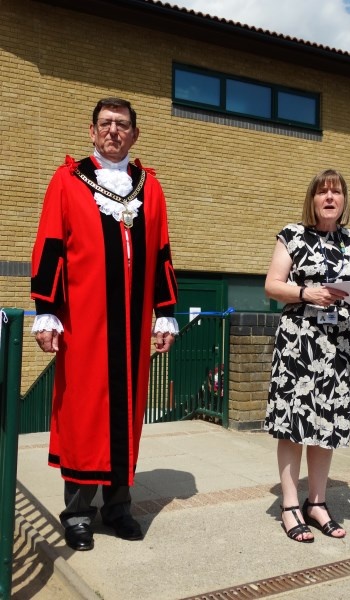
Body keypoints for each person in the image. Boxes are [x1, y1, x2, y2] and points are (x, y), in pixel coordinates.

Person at [30, 98, 179, 551]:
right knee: (83, 414)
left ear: (134, 134)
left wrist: (165, 312)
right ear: (92, 131)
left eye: (122, 124)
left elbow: (161, 252)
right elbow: (50, 244)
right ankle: (78, 513)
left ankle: (118, 508)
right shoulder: (68, 180)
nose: (114, 131)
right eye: (106, 124)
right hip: (84, 324)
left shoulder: (150, 187)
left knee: (126, 414)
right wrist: (46, 311)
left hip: (132, 328)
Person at [264, 169, 350, 542]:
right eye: (323, 192)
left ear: (344, 200)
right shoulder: (292, 235)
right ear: (313, 199)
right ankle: (290, 505)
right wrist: (307, 293)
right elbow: (272, 285)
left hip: (341, 345)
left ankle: (317, 503)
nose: (330, 197)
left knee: (328, 424)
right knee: (294, 423)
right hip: (300, 341)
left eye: (336, 192)